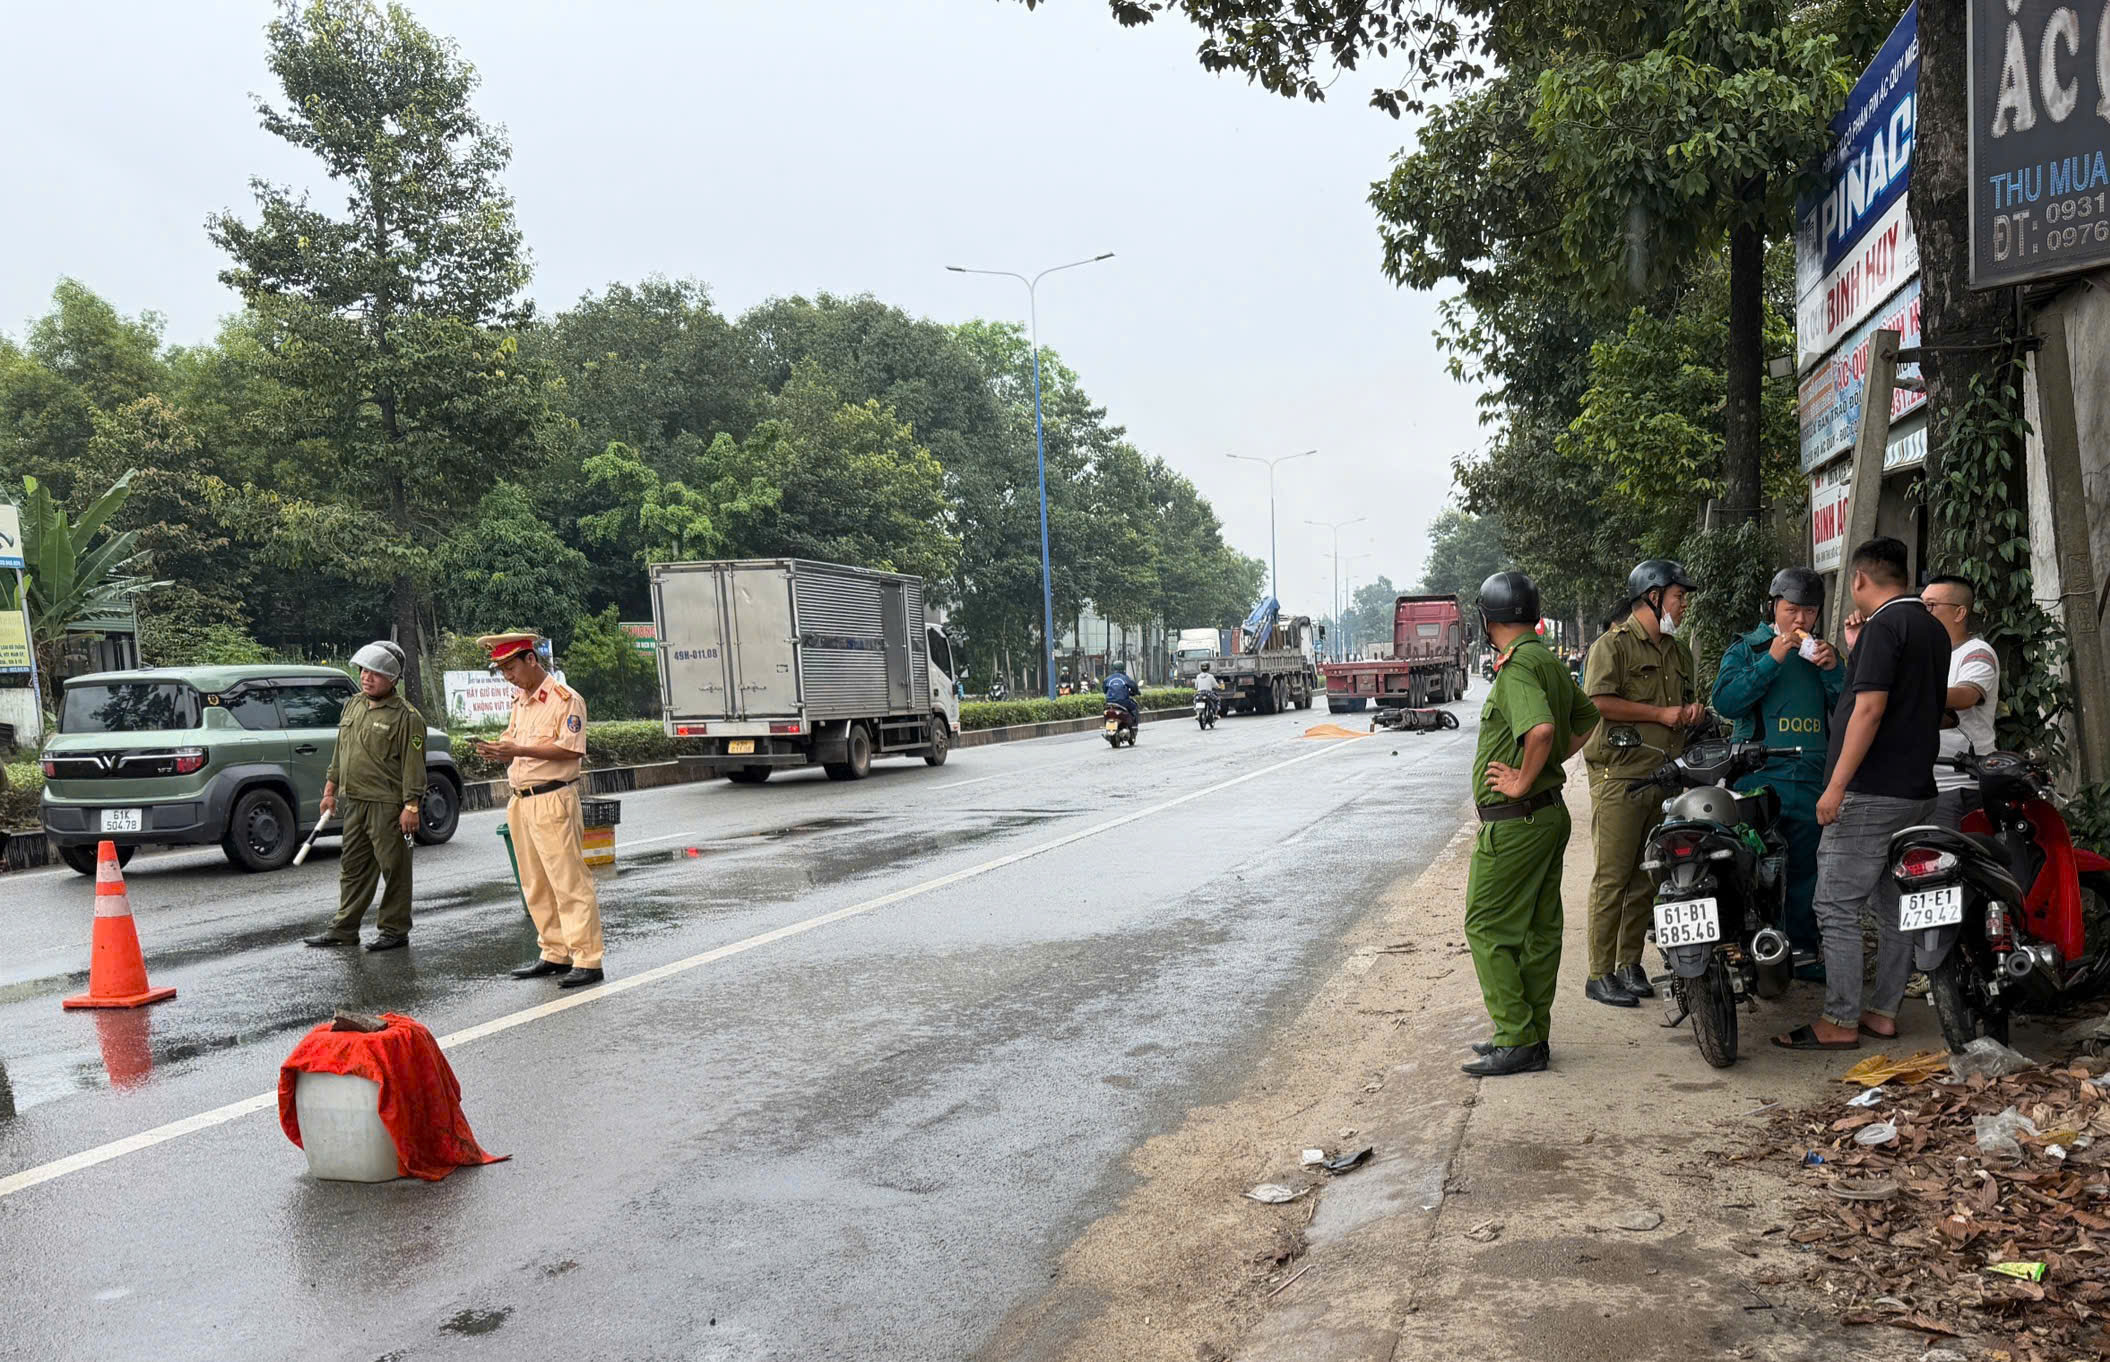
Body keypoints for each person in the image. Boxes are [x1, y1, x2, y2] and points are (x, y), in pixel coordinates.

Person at [1773, 538, 1950, 1050]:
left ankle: (1840, 1019)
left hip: (1871, 791)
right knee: (1895, 906)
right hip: (1917, 790)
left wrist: (1835, 787)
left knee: (1835, 905)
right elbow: (1912, 703)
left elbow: (1869, 711)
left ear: (1858, 580)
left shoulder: (1885, 627)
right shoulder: (1932, 629)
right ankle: (1883, 1011)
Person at [1461, 570, 1601, 1077]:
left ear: (1487, 619)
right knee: (1540, 929)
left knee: (1487, 925)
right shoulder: (1546, 659)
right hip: (1547, 816)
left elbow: (1541, 728)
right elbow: (1586, 719)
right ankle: (1532, 1036)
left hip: (1517, 820)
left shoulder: (1518, 667)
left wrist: (1522, 777)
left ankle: (1516, 1036)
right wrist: (1542, 767)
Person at [1710, 567, 1845, 977]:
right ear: (1774, 607)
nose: (1800, 621)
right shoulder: (1747, 650)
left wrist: (1835, 669)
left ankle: (1800, 953)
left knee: (1806, 872)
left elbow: (1850, 713)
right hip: (1757, 781)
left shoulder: (1825, 655)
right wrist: (1770, 661)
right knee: (1753, 870)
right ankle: (1749, 950)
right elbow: (1727, 703)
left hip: (1809, 779)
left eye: (1809, 611)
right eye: (1791, 610)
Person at [1580, 560, 1702, 1007]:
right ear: (1653, 597)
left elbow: (1684, 702)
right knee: (1613, 877)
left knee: (1646, 877)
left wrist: (1693, 712)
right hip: (1622, 776)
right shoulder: (1613, 647)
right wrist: (1659, 714)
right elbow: (1598, 701)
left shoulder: (1678, 650)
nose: (1683, 605)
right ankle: (1599, 972)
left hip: (1667, 775)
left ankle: (1630, 963)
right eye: (1678, 597)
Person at [475, 631, 607, 989]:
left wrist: (517, 750)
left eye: (510, 667)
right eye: (501, 670)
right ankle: (554, 951)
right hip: (521, 800)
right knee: (535, 882)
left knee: (568, 880)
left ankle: (587, 958)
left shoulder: (565, 699)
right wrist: (498, 749)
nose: (507, 676)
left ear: (530, 660)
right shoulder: (521, 700)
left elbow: (571, 750)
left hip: (553, 797)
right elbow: (515, 741)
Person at [304, 641, 426, 952]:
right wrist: (330, 790)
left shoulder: (406, 717)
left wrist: (411, 806)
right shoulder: (353, 705)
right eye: (363, 671)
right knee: (352, 868)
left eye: (375, 673)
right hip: (354, 801)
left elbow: (414, 767)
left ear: (392, 679)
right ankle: (344, 928)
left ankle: (394, 930)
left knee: (394, 869)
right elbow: (340, 751)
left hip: (388, 805)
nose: (366, 677)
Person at [1922, 575, 2000, 829]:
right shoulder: (1921, 653)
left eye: (1931, 606)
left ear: (1960, 613)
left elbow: (1966, 696)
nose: (1923, 613)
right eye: (1920, 606)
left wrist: (1910, 692)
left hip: (1957, 787)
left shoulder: (1977, 652)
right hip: (1920, 784)